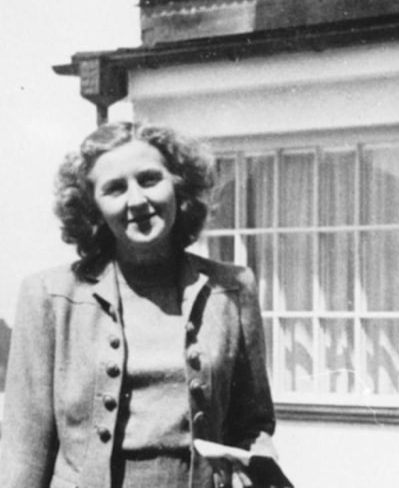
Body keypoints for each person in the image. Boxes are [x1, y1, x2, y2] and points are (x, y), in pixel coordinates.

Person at [0, 122, 290, 487]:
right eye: (115, 189)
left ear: (179, 186)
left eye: (150, 179)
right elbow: (23, 454)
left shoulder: (232, 289)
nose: (137, 200)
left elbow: (253, 425)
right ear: (92, 208)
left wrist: (257, 463)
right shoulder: (49, 297)